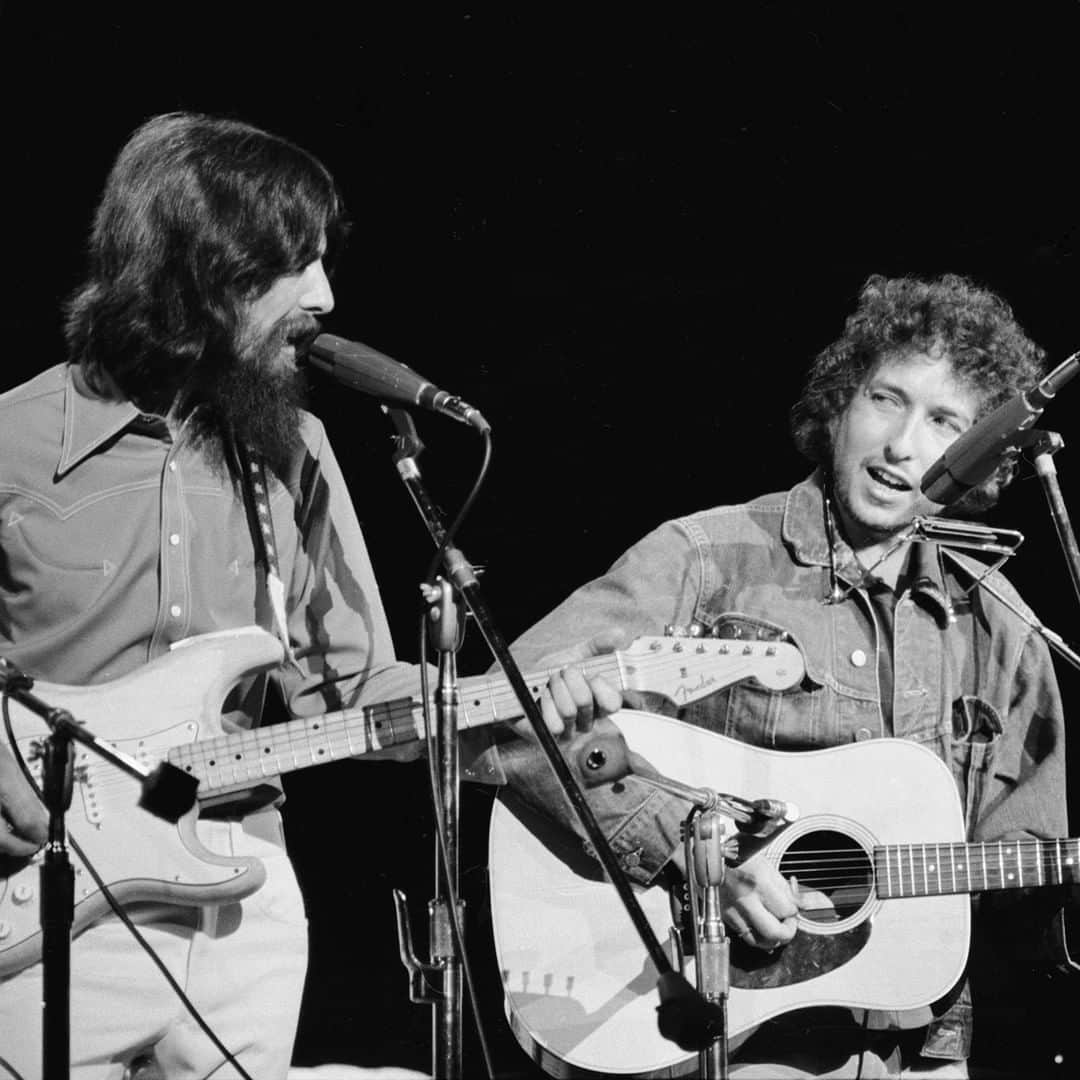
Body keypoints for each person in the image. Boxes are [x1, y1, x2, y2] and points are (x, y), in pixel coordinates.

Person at [0, 112, 569, 1080]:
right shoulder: (11, 446)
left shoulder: (295, 450)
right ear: (198, 274)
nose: (326, 295)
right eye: (292, 264)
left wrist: (498, 705)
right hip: (48, 914)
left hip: (242, 910)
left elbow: (353, 689)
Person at [498, 273, 1075, 1078]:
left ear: (982, 453)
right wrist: (695, 856)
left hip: (921, 1046)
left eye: (944, 421)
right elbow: (507, 708)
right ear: (840, 403)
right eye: (886, 399)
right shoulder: (709, 558)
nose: (903, 446)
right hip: (720, 1033)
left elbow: (1027, 853)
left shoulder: (1003, 623)